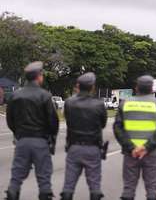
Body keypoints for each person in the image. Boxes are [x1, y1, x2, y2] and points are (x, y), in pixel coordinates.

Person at [5, 61, 59, 200]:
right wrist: (51, 138)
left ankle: (12, 193)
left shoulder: (15, 96)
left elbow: (10, 120)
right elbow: (53, 122)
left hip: (22, 140)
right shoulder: (45, 96)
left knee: (16, 176)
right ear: (39, 76)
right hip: (40, 141)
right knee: (44, 178)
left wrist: (19, 133)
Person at [113, 75, 156, 200]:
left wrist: (132, 147)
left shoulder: (125, 104)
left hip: (130, 153)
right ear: (151, 89)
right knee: (152, 190)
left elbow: (118, 128)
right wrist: (146, 147)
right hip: (151, 152)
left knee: (128, 189)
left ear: (136, 88)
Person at [60, 73, 108, 200]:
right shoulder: (98, 104)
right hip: (93, 147)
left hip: (74, 146)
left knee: (68, 186)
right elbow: (102, 124)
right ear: (92, 87)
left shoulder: (69, 103)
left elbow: (68, 121)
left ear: (78, 86)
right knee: (95, 186)